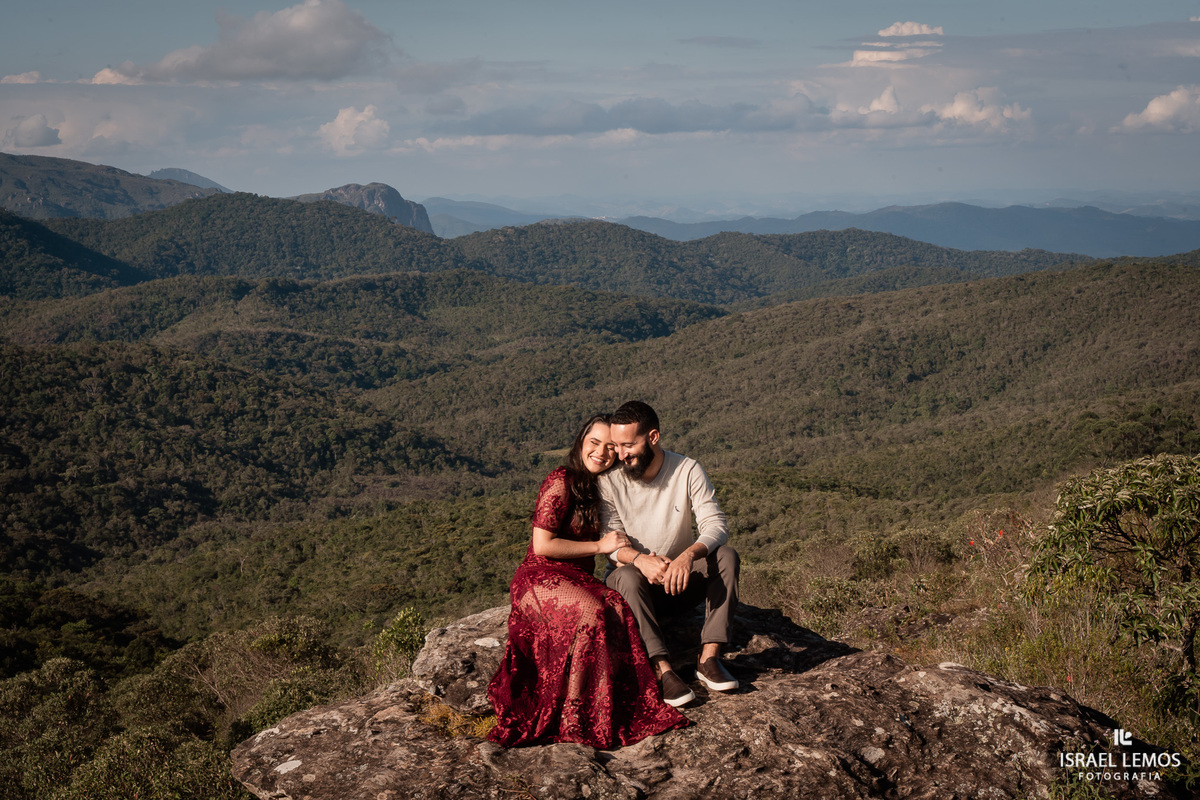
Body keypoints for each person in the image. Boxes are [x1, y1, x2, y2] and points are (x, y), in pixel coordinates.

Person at [486, 413, 689, 748]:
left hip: (577, 576)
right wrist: (600, 545)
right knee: (591, 613)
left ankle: (616, 702)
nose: (602, 452)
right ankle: (575, 717)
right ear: (581, 442)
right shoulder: (561, 479)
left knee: (616, 606)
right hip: (539, 575)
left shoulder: (605, 487)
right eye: (594, 443)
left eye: (611, 447)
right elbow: (543, 544)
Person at [601, 401, 741, 708]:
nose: (621, 455)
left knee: (726, 556)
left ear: (652, 437)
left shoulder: (687, 469)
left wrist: (688, 555)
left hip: (680, 580)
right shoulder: (609, 482)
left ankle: (709, 659)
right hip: (637, 587)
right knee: (622, 574)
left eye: (628, 445)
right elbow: (609, 542)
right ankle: (663, 670)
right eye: (616, 446)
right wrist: (640, 560)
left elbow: (716, 524)